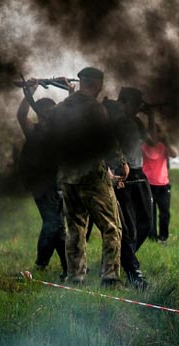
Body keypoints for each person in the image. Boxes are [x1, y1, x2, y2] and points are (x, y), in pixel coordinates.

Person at [50, 66, 124, 287]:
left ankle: (76, 276)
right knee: (111, 226)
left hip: (67, 176)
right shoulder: (95, 109)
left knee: (75, 227)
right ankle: (110, 277)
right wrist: (120, 163)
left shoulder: (60, 109)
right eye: (101, 83)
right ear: (96, 83)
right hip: (91, 174)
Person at [16, 79, 67, 279]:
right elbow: (21, 115)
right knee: (54, 224)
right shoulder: (34, 131)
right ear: (43, 113)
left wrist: (70, 91)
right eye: (51, 112)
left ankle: (48, 264)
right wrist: (30, 92)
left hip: (55, 185)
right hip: (40, 186)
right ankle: (55, 265)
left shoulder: (57, 133)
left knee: (55, 225)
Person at [111, 86, 154, 286]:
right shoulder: (113, 121)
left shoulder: (136, 121)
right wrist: (116, 169)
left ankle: (123, 258)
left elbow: (151, 141)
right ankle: (133, 271)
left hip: (139, 173)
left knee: (146, 222)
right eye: (135, 104)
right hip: (121, 175)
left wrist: (150, 116)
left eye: (139, 105)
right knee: (127, 227)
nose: (138, 108)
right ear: (124, 102)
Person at [141, 115, 178, 243]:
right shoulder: (144, 145)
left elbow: (174, 154)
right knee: (150, 213)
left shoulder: (164, 147)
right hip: (148, 184)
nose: (155, 134)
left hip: (163, 185)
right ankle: (152, 238)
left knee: (165, 213)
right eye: (153, 131)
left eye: (157, 131)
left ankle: (163, 237)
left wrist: (167, 142)